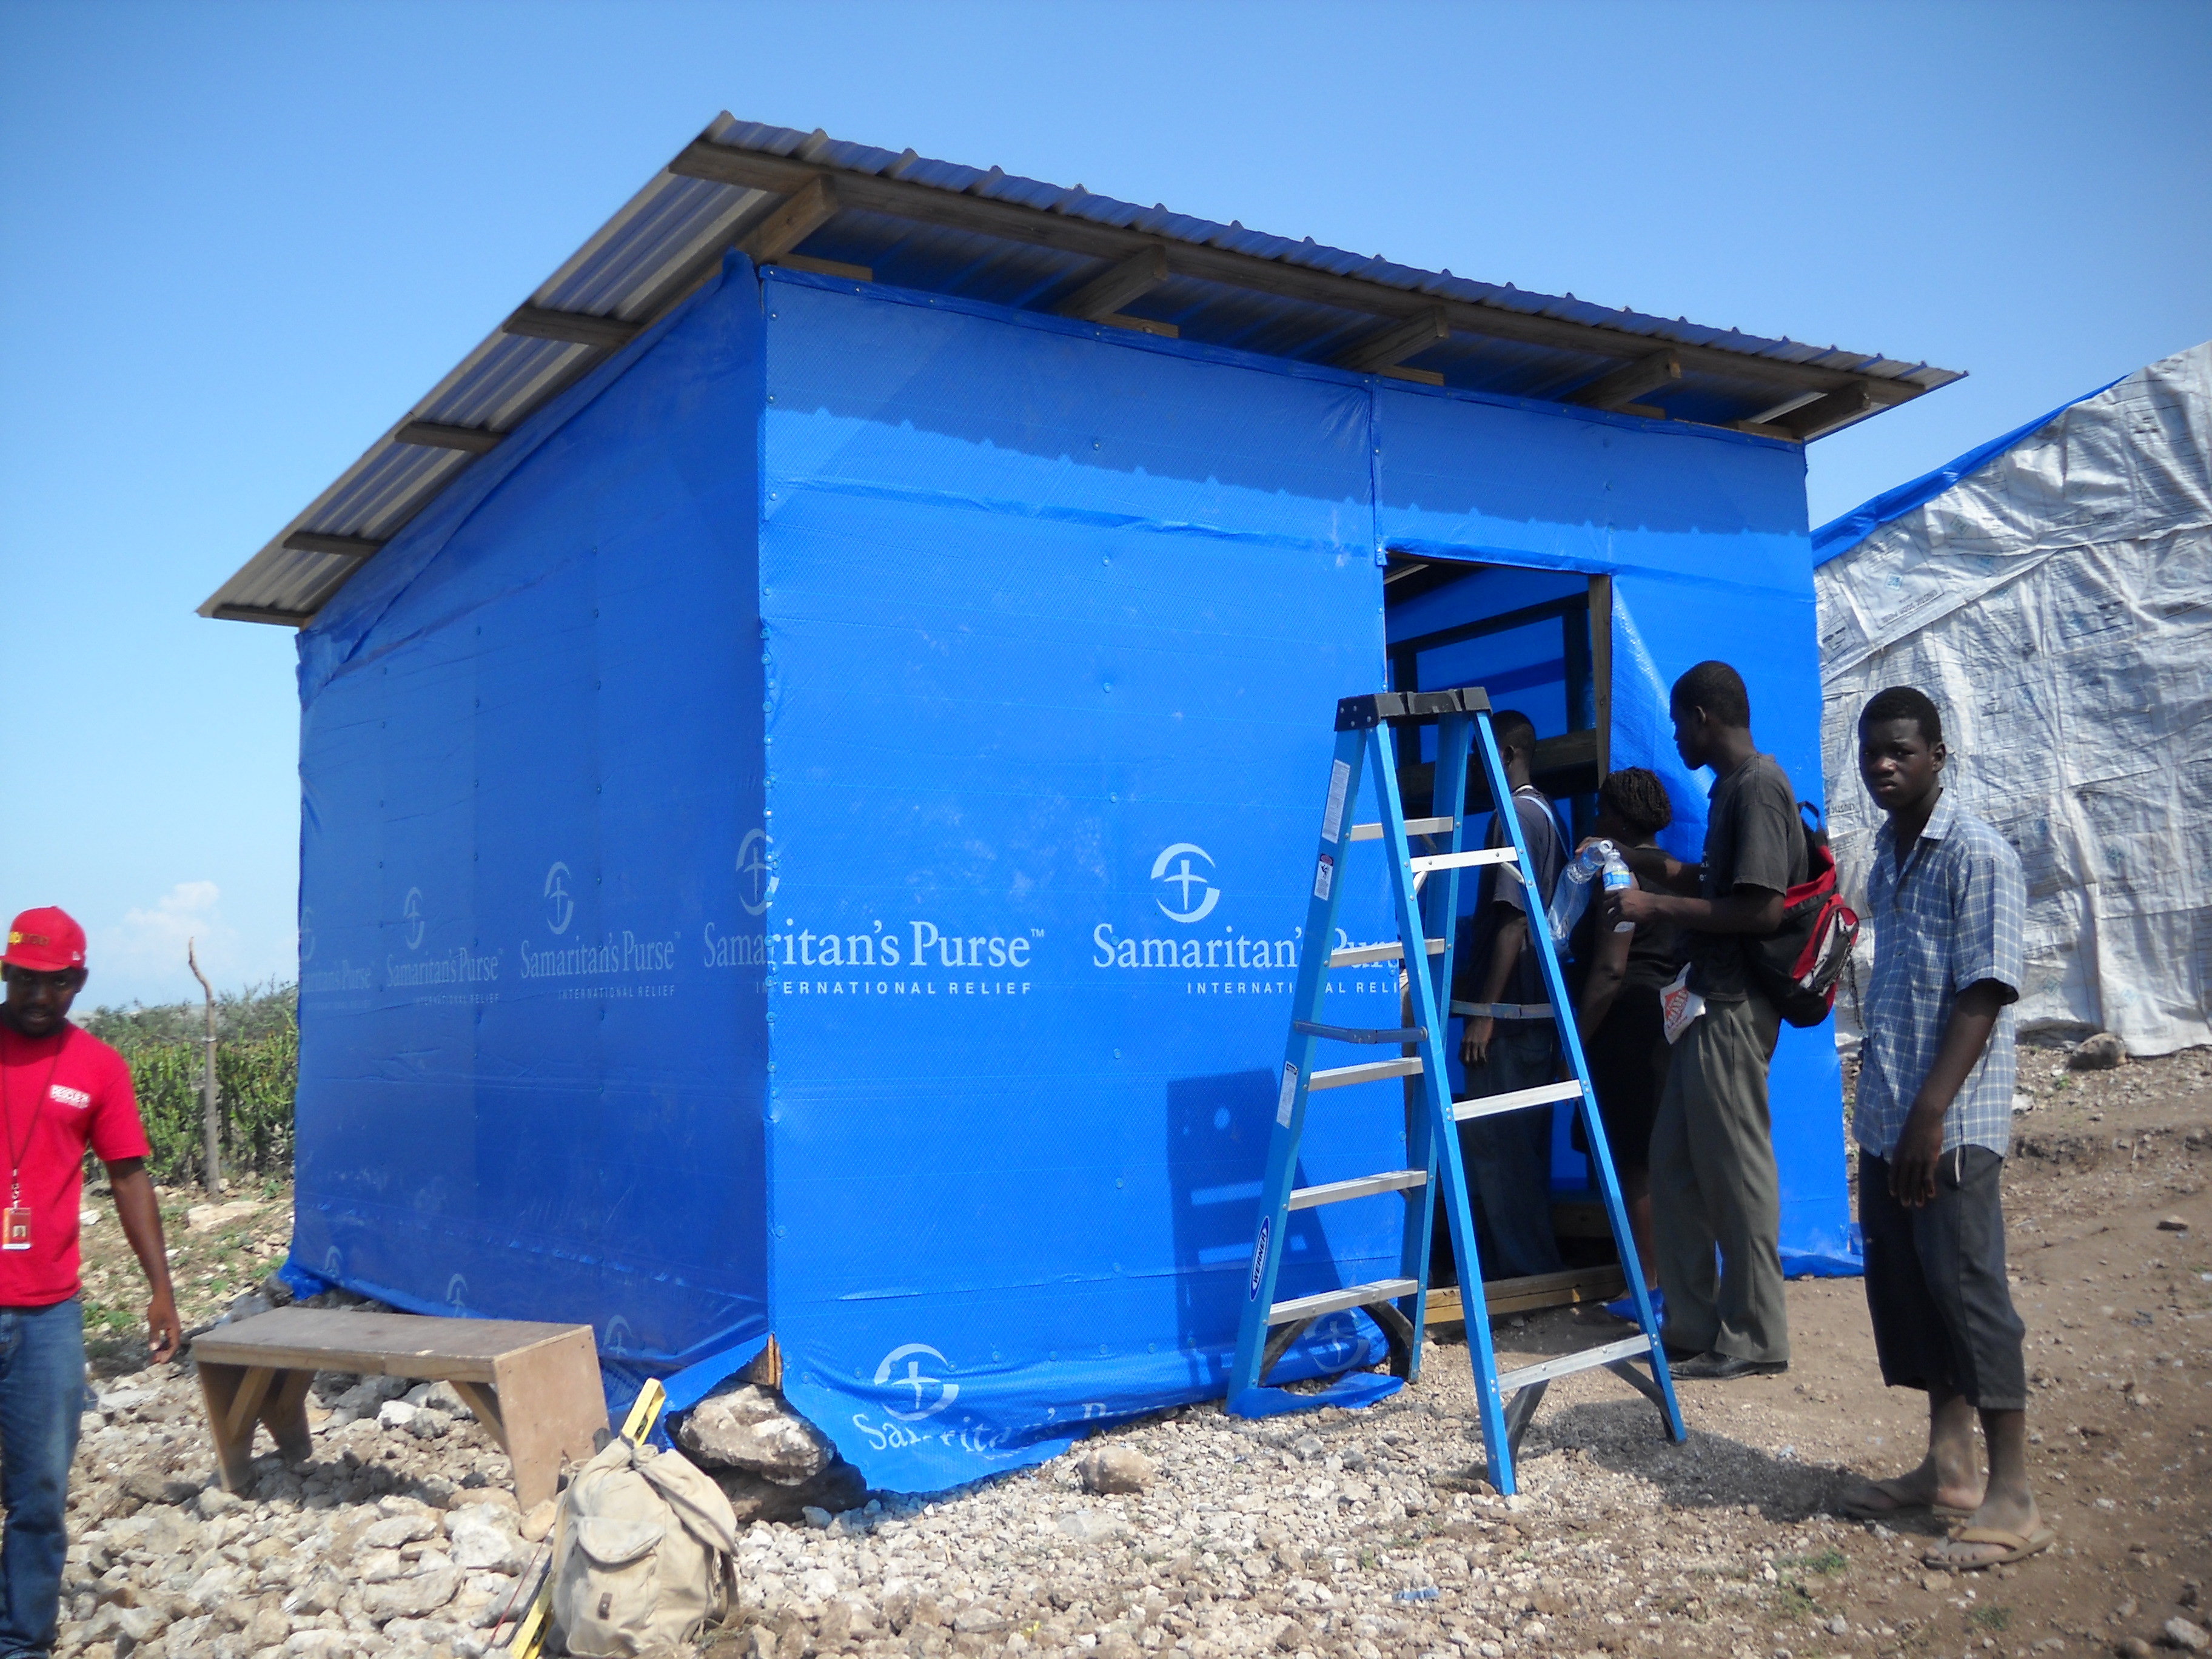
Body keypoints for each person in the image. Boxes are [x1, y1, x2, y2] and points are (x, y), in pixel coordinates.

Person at [1835, 688, 2048, 1571]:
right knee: (1913, 1291)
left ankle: (2016, 1496)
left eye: (1901, 751)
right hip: (1892, 1117)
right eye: (1871, 753)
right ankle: (1950, 1468)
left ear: (1938, 755)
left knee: (1968, 1293)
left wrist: (1931, 1113)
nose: (1884, 765)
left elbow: (1984, 991)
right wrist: (1895, 1119)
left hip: (1950, 1122)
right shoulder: (1888, 854)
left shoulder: (1977, 854)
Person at [1614, 661, 1803, 1381]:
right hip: (1705, 999)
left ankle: (1755, 1336)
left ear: (1703, 718)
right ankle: (1692, 1326)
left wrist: (1655, 906)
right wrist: (1647, 865)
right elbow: (1722, 884)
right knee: (1675, 1165)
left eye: (1677, 724)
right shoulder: (1731, 789)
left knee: (1737, 1173)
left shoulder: (1758, 787)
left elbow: (1762, 909)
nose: (1673, 737)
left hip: (1732, 1007)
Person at [0, 908, 179, 1657]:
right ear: (6, 973)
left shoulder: (98, 1067)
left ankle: (22, 1643)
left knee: (39, 1496)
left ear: (80, 981)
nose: (41, 997)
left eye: (58, 983)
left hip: (48, 1317)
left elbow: (129, 1177)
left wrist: (161, 1289)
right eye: (26, 980)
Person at [1448, 709, 1569, 1281]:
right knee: (1521, 1150)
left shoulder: (1515, 815)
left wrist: (1485, 1013)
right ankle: (1528, 1275)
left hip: (1511, 1014)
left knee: (1501, 1152)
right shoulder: (1548, 813)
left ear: (1509, 753)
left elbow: (1513, 921)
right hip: (1534, 1013)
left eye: (1480, 757)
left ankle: (1522, 1281)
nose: (1474, 770)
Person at [1566, 768, 1680, 1307]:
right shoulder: (1673, 874)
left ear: (1620, 818)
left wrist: (1574, 1043)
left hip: (1628, 1030)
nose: (1595, 818)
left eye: (1602, 809)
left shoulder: (1620, 879)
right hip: (1665, 1023)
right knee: (1657, 1159)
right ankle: (1663, 1282)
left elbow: (1610, 971)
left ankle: (1647, 1288)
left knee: (1635, 1166)